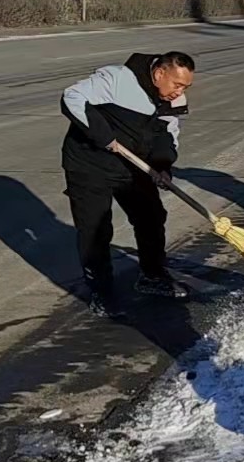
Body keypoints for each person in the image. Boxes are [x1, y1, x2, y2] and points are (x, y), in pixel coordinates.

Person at [60, 51, 196, 303]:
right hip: (90, 165)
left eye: (186, 86)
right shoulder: (117, 79)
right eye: (177, 85)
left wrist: (163, 166)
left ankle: (152, 276)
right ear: (159, 74)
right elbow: (72, 97)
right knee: (96, 230)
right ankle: (102, 292)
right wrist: (103, 136)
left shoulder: (173, 100)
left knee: (152, 217)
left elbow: (167, 133)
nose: (180, 92)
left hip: (133, 166)